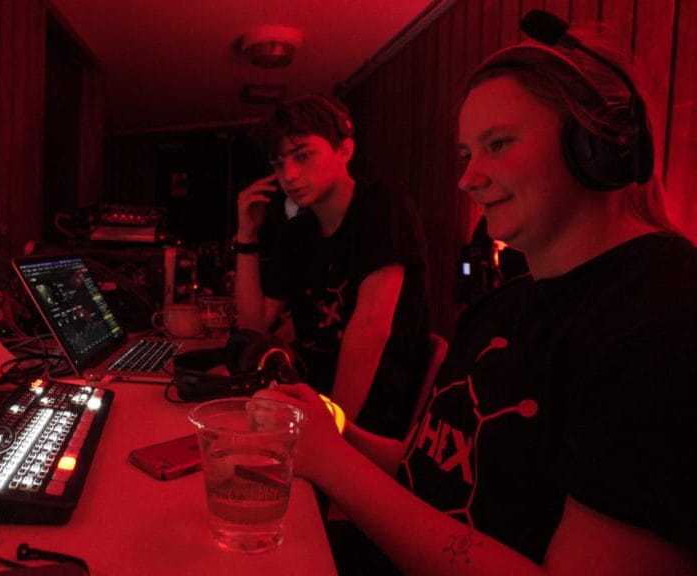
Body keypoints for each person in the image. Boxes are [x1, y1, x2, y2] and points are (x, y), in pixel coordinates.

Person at [257, 27, 697, 575]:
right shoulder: (500, 306)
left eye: (498, 144)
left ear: (601, 145)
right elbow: (433, 473)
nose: (467, 177)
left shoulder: (664, 317)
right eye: (466, 152)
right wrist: (336, 432)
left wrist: (333, 463)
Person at [233, 94, 430, 440]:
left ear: (344, 150)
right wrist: (247, 236)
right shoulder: (298, 232)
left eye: (303, 155)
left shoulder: (382, 203)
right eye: (278, 163)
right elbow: (253, 325)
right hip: (307, 402)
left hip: (368, 419)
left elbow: (371, 327)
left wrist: (331, 430)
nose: (289, 175)